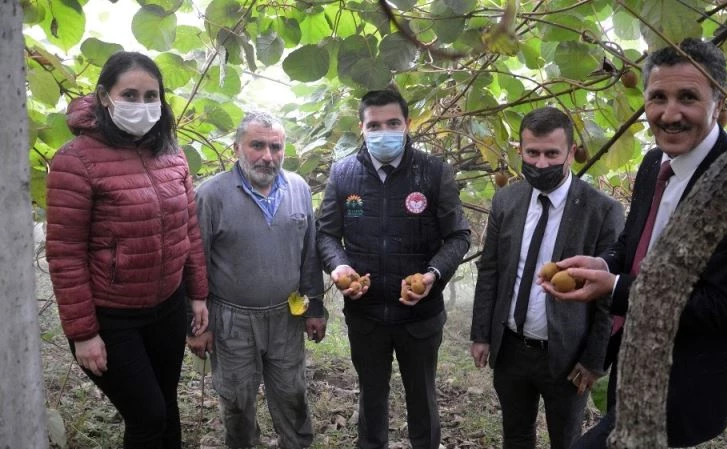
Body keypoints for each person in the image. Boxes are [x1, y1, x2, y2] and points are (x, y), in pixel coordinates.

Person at [541, 38, 727, 448]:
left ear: (718, 103)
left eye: (688, 97)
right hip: (634, 360)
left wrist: (615, 288)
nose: (669, 114)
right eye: (658, 98)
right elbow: (633, 242)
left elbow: (724, 309)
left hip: (691, 379)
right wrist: (606, 264)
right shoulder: (654, 162)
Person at [45, 51, 209, 448]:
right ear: (105, 96)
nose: (142, 105)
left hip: (167, 307)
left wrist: (198, 295)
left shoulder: (171, 153)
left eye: (151, 96)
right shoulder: (75, 160)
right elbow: (65, 254)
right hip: (112, 317)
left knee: (166, 407)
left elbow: (188, 229)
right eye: (130, 95)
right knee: (147, 417)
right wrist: (84, 334)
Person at [317, 88, 471, 449]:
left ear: (407, 124)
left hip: (420, 317)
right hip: (366, 315)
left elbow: (459, 236)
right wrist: (339, 268)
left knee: (423, 399)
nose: (383, 132)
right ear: (361, 128)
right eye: (374, 125)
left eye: (392, 123)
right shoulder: (344, 173)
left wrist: (432, 275)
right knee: (371, 398)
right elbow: (326, 234)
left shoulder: (432, 172)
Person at [469, 107, 624, 449]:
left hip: (567, 355)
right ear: (520, 151)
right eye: (532, 153)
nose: (540, 164)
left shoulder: (602, 211)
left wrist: (594, 360)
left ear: (571, 152)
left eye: (552, 154)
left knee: (566, 441)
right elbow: (491, 269)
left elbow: (607, 295)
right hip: (511, 349)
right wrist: (481, 334)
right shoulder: (506, 200)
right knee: (516, 436)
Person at [187, 112, 327, 449]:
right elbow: (194, 262)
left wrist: (315, 307)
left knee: (292, 393)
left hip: (286, 315)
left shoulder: (299, 188)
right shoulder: (210, 194)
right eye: (257, 145)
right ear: (237, 147)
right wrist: (197, 325)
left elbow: (309, 253)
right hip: (231, 319)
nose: (267, 155)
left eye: (275, 147)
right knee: (237, 399)